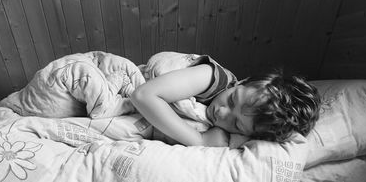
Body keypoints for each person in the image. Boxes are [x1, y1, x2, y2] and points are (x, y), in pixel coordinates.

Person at [130, 55, 321, 147]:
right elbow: (143, 95)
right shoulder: (213, 78)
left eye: (236, 123)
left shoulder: (248, 133)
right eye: (231, 100)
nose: (222, 113)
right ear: (244, 82)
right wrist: (199, 140)